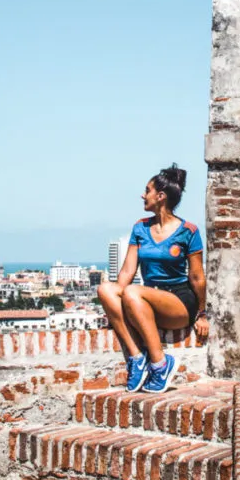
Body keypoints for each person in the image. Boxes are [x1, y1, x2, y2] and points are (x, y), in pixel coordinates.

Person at [98, 164, 209, 393]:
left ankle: (160, 364)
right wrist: (114, 306)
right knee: (105, 290)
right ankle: (137, 358)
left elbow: (197, 277)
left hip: (178, 302)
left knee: (132, 291)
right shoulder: (140, 228)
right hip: (145, 301)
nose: (142, 195)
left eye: (147, 190)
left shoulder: (188, 231)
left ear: (160, 196)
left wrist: (202, 313)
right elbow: (127, 272)